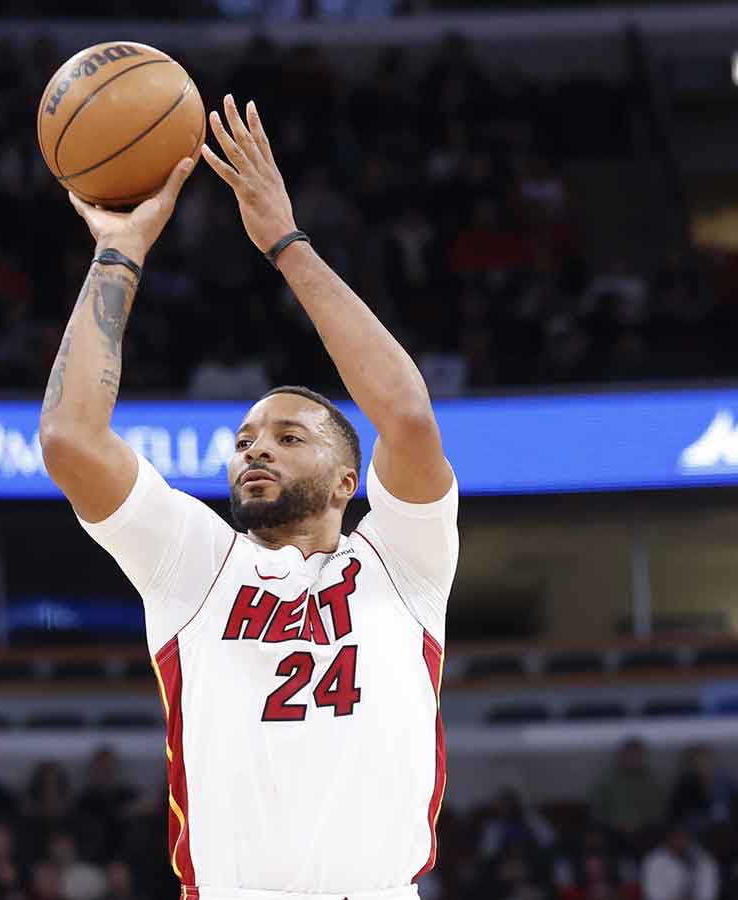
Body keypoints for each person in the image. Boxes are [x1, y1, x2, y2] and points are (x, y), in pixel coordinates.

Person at [39, 95, 458, 899]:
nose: (256, 447)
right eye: (244, 442)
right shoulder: (193, 562)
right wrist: (119, 255)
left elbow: (405, 416)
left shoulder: (404, 563)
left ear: (348, 481)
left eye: (289, 436)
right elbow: (70, 441)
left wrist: (286, 244)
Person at [639, 824, 717, 900]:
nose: (681, 840)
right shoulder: (654, 860)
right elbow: (654, 895)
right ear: (669, 838)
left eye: (684, 836)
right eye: (677, 836)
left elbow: (708, 893)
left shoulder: (703, 859)